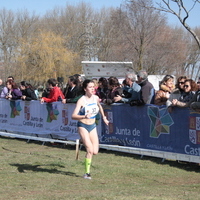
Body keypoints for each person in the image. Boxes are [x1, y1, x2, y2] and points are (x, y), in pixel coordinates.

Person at [71, 79, 109, 180]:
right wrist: (84, 116)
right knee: (90, 150)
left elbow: (100, 107)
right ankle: (86, 173)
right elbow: (73, 116)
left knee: (95, 151)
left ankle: (84, 142)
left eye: (93, 87)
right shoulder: (81, 100)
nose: (93, 89)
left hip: (92, 126)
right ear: (85, 89)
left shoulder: (96, 98)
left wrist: (104, 117)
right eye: (90, 87)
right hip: (83, 125)